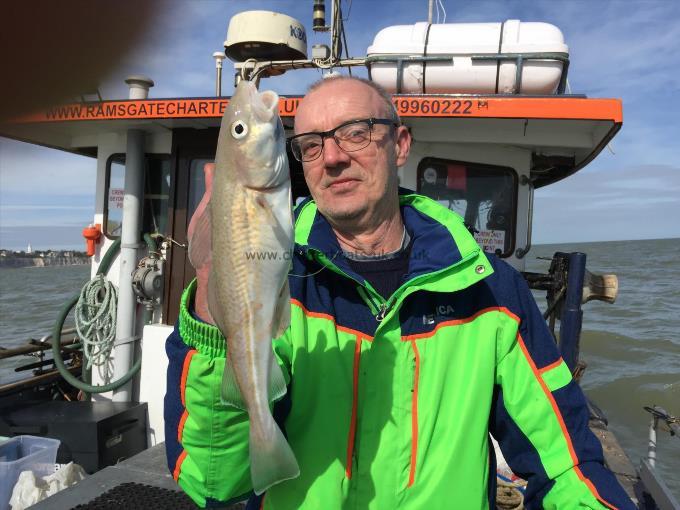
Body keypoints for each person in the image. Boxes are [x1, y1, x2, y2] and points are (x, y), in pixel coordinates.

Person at [164, 76, 634, 509]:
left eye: (355, 132)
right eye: (310, 145)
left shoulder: (491, 292)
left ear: (401, 143)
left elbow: (567, 463)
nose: (332, 158)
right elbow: (213, 480)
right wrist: (212, 307)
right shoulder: (283, 281)